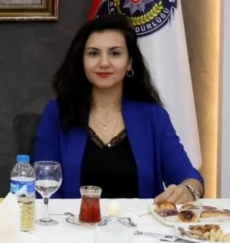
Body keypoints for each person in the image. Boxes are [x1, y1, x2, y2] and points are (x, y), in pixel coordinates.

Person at [33, 15, 204, 202]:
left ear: (129, 62)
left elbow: (189, 176)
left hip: (139, 221)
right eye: (93, 53)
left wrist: (189, 190)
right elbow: (43, 186)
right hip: (74, 220)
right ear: (81, 61)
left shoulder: (153, 116)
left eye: (115, 53)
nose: (104, 63)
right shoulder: (57, 113)